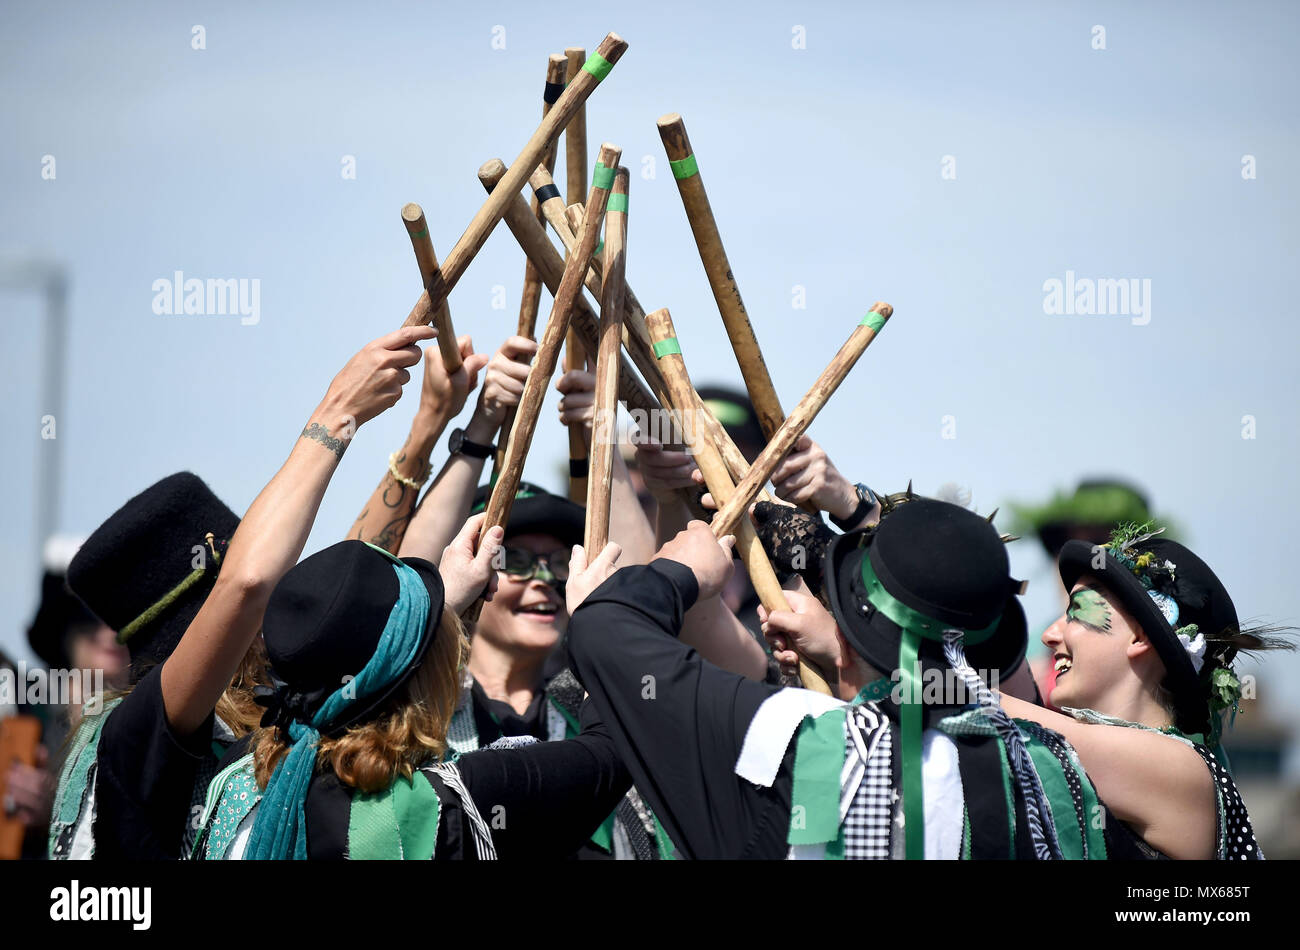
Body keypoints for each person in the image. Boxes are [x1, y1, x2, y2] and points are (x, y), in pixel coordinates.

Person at [56, 324, 436, 859]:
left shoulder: (226, 718)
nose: (289, 607)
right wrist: (338, 411)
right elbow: (249, 583)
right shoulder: (132, 735)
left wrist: (432, 428)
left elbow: (354, 583)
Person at [566, 500, 1103, 859]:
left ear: (846, 624)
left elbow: (601, 627)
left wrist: (683, 572)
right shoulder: (1055, 769)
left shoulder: (803, 740)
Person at [195, 521, 631, 860]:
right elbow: (611, 751)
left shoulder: (239, 769)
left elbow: (369, 680)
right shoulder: (460, 798)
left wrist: (437, 610)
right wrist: (602, 624)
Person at [993, 523, 1290, 859]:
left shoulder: (1179, 767)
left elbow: (987, 706)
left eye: (1076, 613)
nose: (1049, 634)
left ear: (1140, 637)